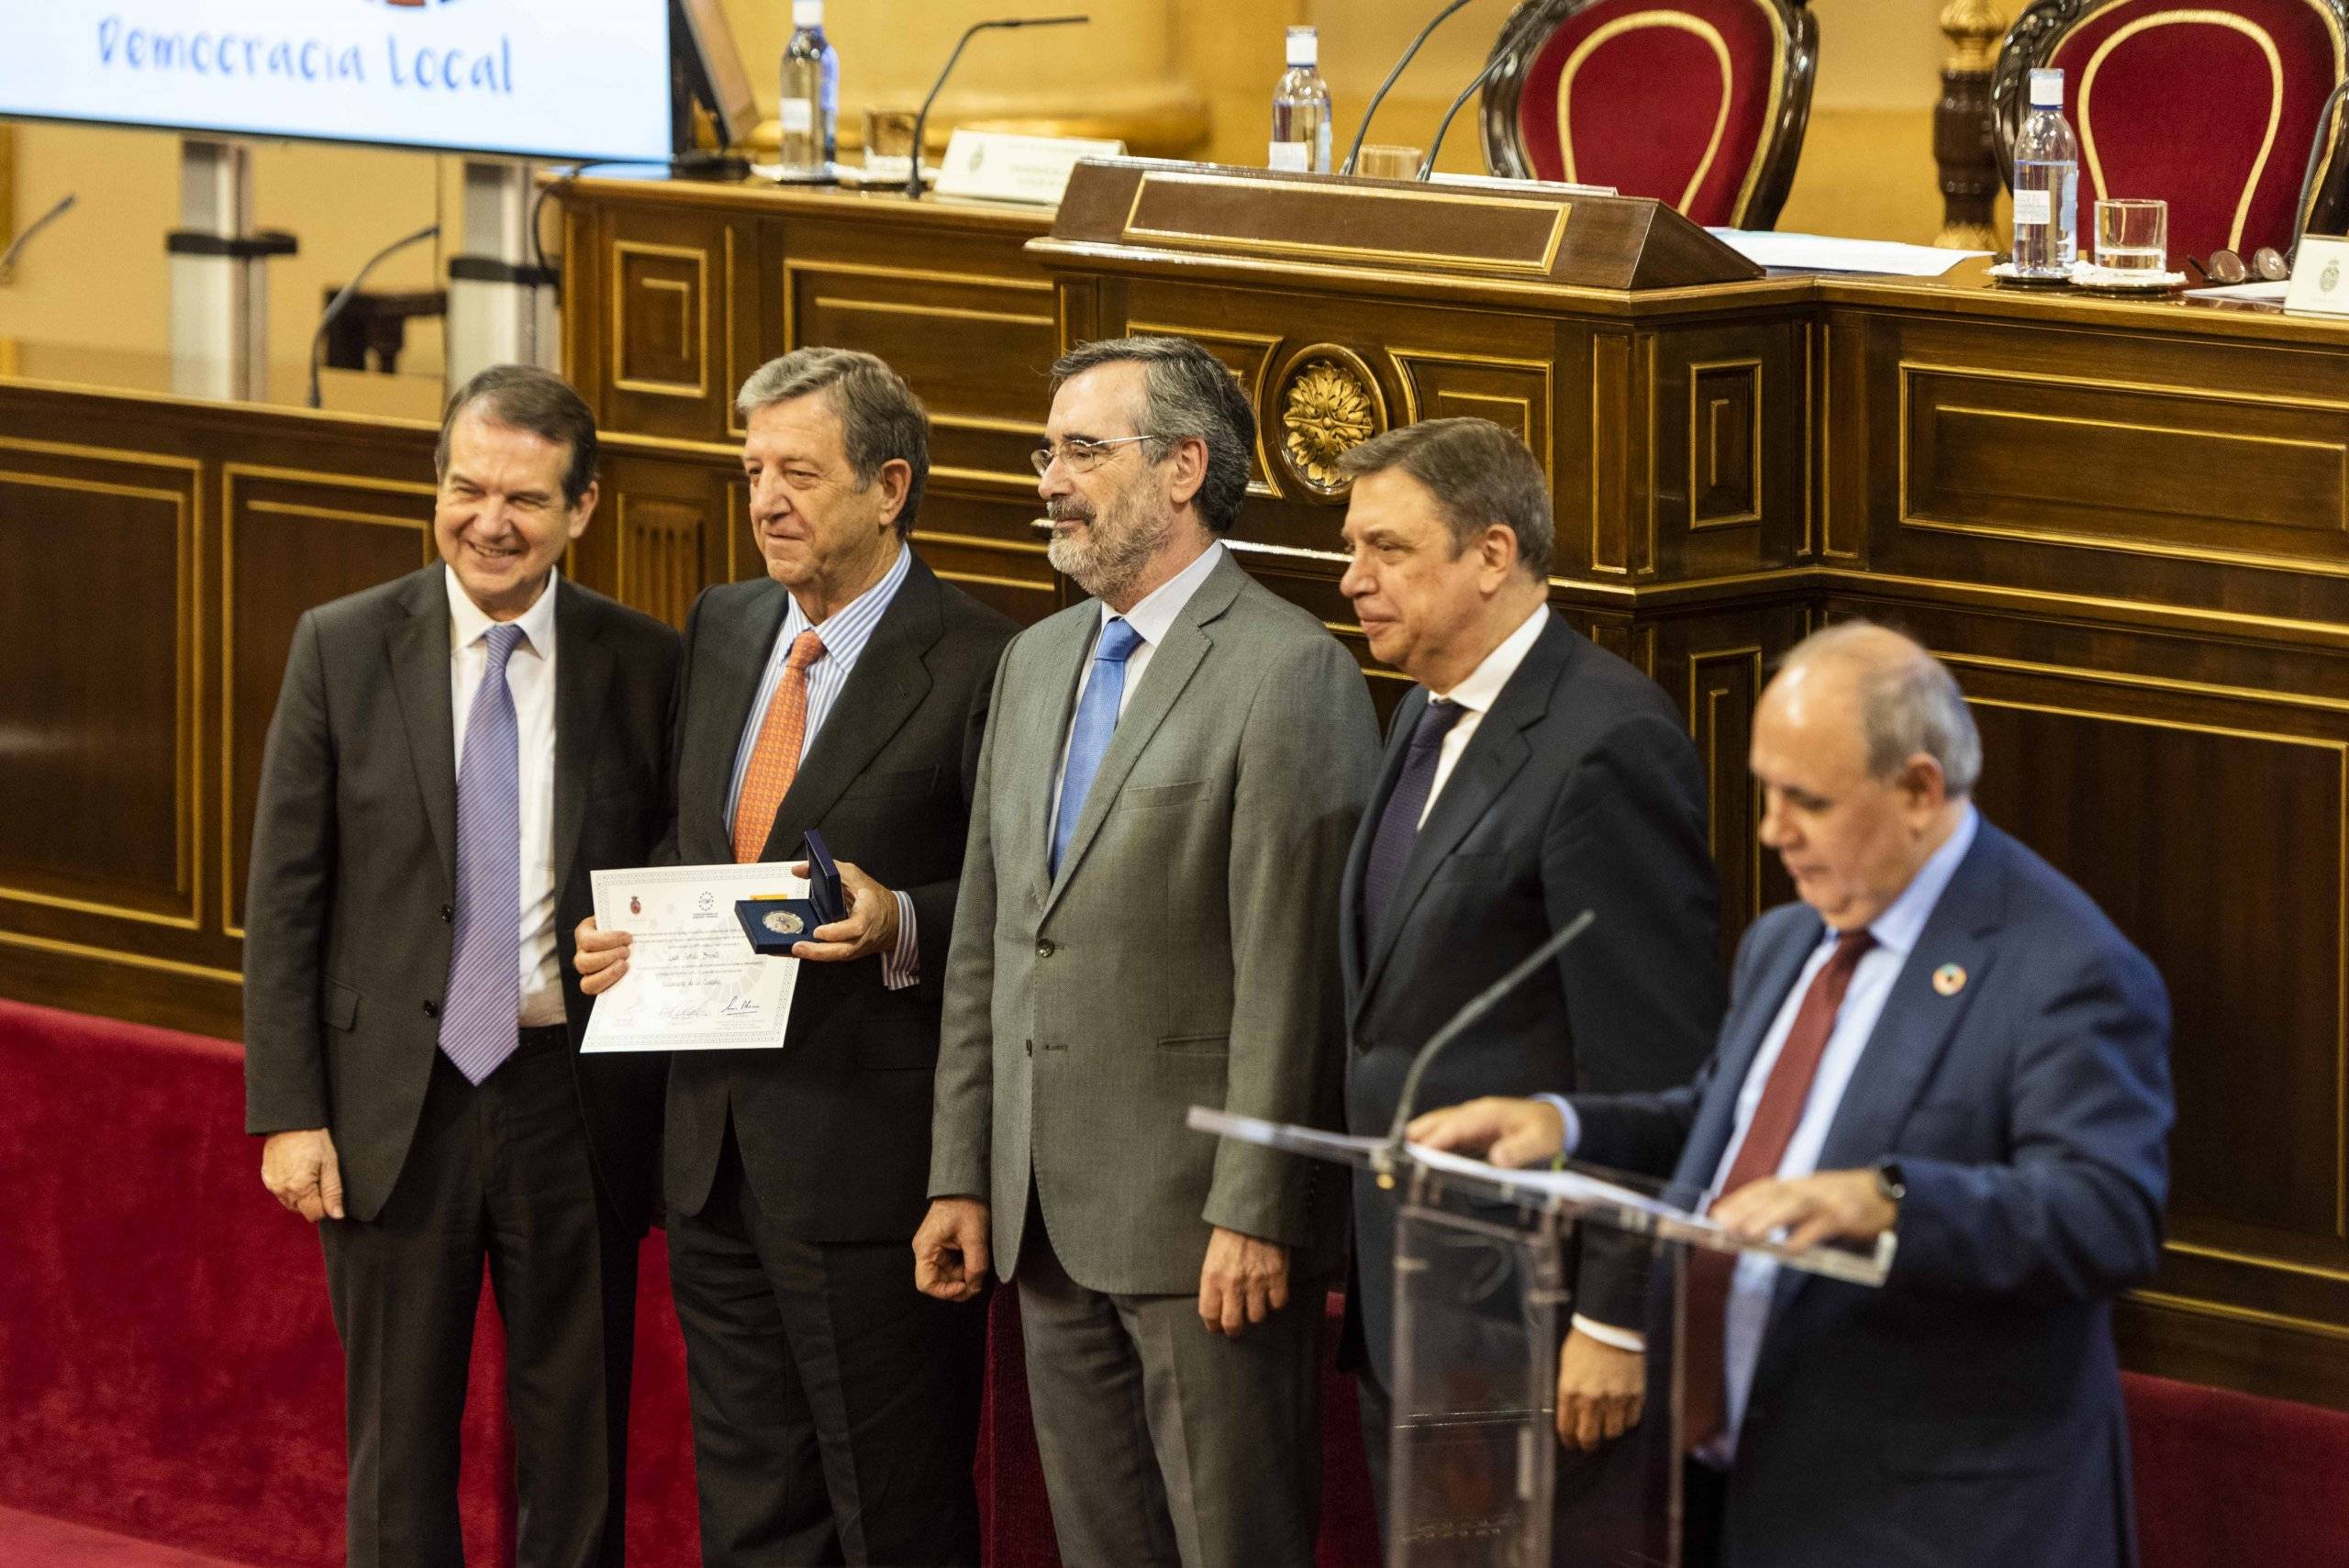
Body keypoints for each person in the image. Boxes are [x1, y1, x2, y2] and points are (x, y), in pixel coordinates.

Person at [1409, 621, 2173, 1568]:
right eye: (1766, 792)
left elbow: (2107, 1213)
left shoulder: (2062, 965)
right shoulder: (1789, 939)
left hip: (1933, 1518)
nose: (1773, 830)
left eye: (1806, 799)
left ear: (1920, 791)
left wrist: (1885, 1197)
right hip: (1738, 1488)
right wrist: (1561, 1122)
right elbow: (1725, 1127)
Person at [913, 334, 1381, 1568]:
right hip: (1044, 1217)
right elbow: (993, 945)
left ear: (1184, 468)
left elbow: (1296, 974)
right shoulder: (1034, 660)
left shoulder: (1290, 674)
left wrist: (1260, 1205)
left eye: (1082, 450)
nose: (1050, 481)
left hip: (1205, 1232)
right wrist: (963, 1169)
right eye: (1045, 451)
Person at [574, 348, 1015, 1566]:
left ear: (888, 484)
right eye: (752, 468)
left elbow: (1008, 896)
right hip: (711, 1151)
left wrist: (897, 920)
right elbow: (696, 840)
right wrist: (628, 933)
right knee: (754, 1507)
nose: (765, 498)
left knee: (893, 1512)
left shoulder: (984, 659)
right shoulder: (723, 622)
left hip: (868, 1169)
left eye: (798, 473)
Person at [242, 365, 680, 1568]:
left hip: (571, 1100)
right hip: (397, 1103)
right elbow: (286, 895)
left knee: (577, 1438)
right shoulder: (338, 645)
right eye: (467, 488)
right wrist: (289, 1110)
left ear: (581, 509)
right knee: (397, 1446)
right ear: (437, 486)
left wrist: (642, 940)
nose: (491, 521)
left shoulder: (644, 664)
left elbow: (674, 861)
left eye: (526, 499)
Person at [1330, 417, 1725, 1528]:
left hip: (1536, 1321)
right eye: (1352, 547)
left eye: (1388, 549)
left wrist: (1613, 1316)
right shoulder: (1420, 708)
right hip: (1415, 1293)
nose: (1353, 578)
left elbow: (1656, 1064)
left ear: (1492, 555)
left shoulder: (1606, 741)